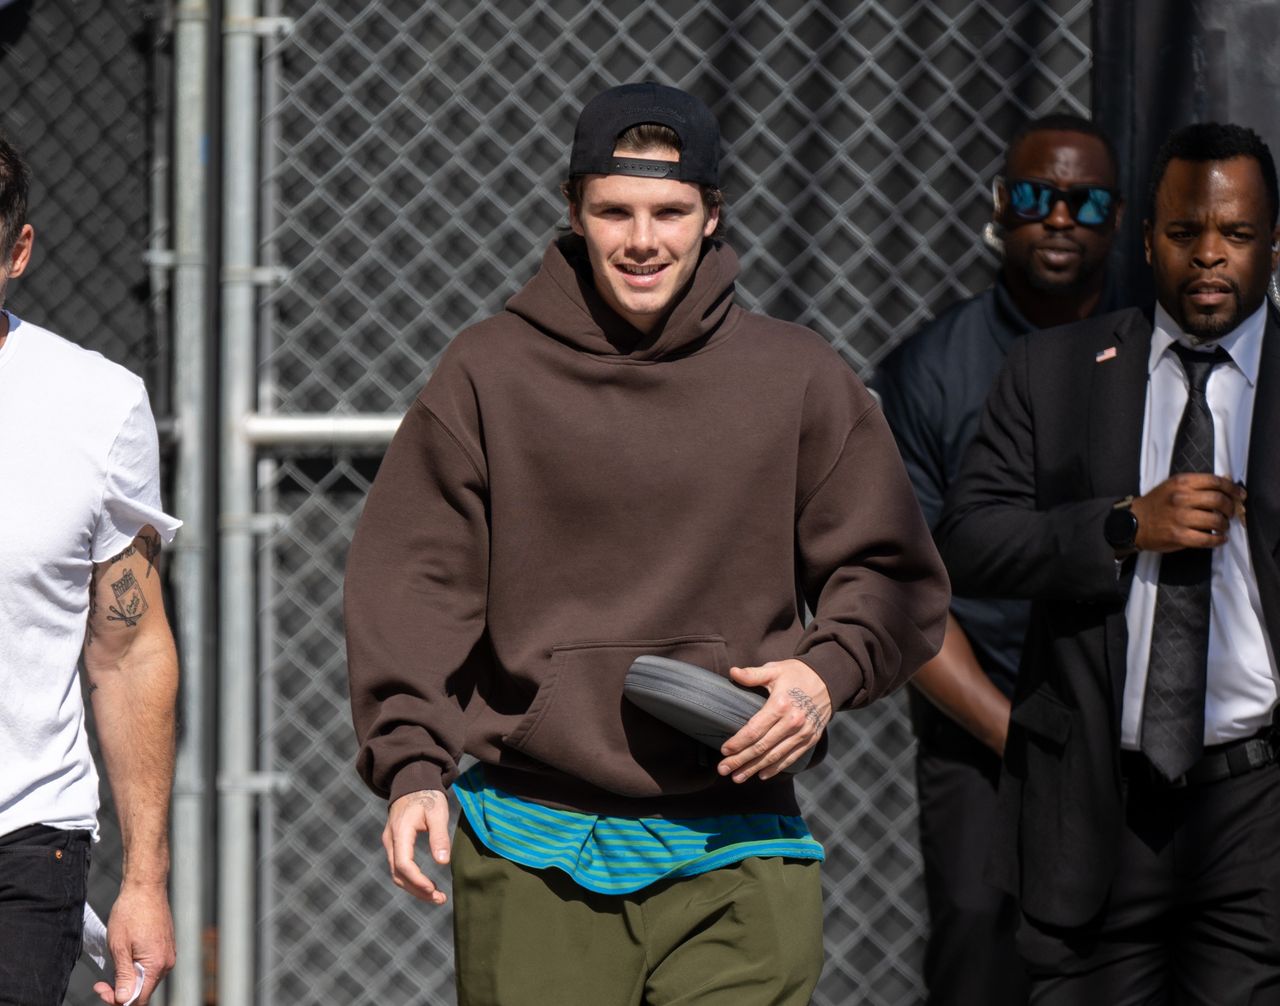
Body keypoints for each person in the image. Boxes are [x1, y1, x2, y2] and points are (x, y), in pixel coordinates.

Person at [345, 82, 949, 1005]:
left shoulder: (796, 378)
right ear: (574, 214)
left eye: (669, 212)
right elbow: (416, 581)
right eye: (613, 211)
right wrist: (413, 767)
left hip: (739, 843)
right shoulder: (489, 371)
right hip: (532, 840)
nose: (640, 240)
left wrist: (825, 673)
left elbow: (890, 573)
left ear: (713, 217)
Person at [935, 121, 1280, 1002]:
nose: (1209, 256)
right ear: (1146, 236)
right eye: (1183, 233)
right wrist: (1124, 525)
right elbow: (970, 541)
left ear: (1274, 245)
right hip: (1094, 807)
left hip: (1255, 809)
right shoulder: (1055, 372)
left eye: (1236, 235)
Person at [873, 114, 1123, 1005]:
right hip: (988, 733)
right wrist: (1017, 738)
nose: (1059, 218)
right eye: (1034, 197)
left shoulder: (1164, 354)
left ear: (1118, 218)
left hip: (1135, 726)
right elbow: (904, 595)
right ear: (998, 208)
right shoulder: (928, 374)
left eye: (1085, 202)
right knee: (981, 943)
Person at [0, 134, 179, 1005]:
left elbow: (131, 648)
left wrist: (144, 876)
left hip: (25, 843)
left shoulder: (96, 405)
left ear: (17, 252)